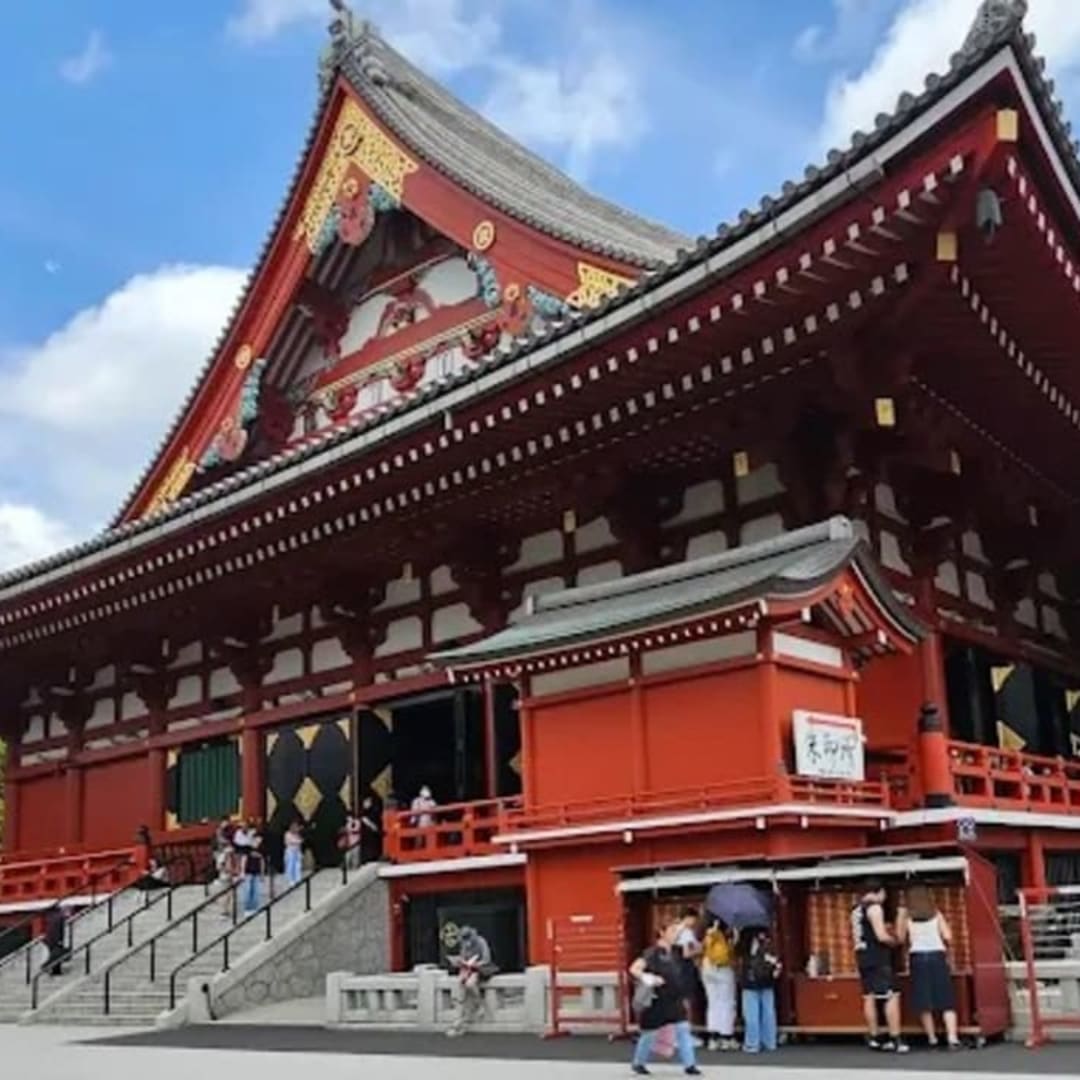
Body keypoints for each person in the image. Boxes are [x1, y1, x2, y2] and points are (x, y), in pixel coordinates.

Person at [629, 916, 702, 1076]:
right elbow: (634, 968)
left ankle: (690, 1065)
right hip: (657, 1000)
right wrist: (649, 978)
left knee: (683, 1029)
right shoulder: (652, 953)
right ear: (662, 932)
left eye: (676, 931)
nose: (675, 934)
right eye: (672, 931)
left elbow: (694, 948)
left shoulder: (676, 951)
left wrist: (686, 929)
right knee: (649, 1034)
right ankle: (638, 1062)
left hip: (674, 998)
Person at [897, 885, 961, 1049]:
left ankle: (932, 1038)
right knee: (946, 999)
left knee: (923, 1000)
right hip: (937, 956)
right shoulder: (936, 914)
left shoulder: (907, 917)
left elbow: (901, 938)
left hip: (917, 957)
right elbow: (948, 936)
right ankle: (952, 1038)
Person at [852, 879, 909, 1053]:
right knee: (892, 995)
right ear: (880, 891)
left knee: (869, 996)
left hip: (862, 956)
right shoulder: (875, 908)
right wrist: (895, 942)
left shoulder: (856, 910)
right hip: (878, 958)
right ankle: (896, 1038)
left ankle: (874, 1037)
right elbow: (881, 936)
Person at [446, 925, 496, 1037]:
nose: (466, 942)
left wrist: (475, 964)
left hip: (479, 969)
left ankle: (479, 1004)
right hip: (467, 969)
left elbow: (486, 959)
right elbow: (463, 957)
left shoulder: (481, 942)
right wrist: (460, 961)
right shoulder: (464, 944)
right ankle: (460, 1017)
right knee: (460, 985)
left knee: (470, 984)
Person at [738, 928, 780, 1054]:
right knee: (768, 1011)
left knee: (751, 1013)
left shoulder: (745, 938)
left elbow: (737, 953)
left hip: (750, 980)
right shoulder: (769, 938)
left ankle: (752, 1043)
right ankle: (770, 1041)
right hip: (767, 980)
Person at [701, 919, 737, 1051]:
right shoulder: (725, 935)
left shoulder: (708, 933)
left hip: (707, 968)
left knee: (713, 1003)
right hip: (723, 969)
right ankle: (726, 1036)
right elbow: (729, 954)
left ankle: (712, 1037)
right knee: (727, 1003)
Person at [673, 907, 704, 1046]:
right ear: (688, 918)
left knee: (679, 1002)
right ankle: (685, 1035)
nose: (695, 922)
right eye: (694, 919)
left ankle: (677, 1036)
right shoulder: (686, 932)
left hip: (674, 969)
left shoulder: (674, 930)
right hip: (685, 969)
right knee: (687, 1003)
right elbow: (686, 953)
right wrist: (700, 949)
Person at [42, 905, 69, 977]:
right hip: (55, 938)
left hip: (49, 938)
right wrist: (60, 940)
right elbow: (59, 930)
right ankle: (52, 967)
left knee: (53, 953)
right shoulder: (59, 917)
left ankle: (54, 969)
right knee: (56, 953)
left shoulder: (50, 917)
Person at [242, 835, 266, 915]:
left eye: (259, 841)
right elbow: (244, 860)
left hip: (257, 872)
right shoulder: (247, 848)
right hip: (248, 872)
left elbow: (262, 861)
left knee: (256, 890)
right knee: (248, 890)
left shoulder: (261, 849)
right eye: (257, 840)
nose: (258, 842)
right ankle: (248, 908)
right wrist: (242, 872)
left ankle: (255, 907)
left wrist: (262, 873)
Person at [360, 794, 383, 864]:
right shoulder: (362, 811)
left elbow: (377, 822)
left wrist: (371, 825)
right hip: (365, 833)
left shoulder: (374, 811)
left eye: (369, 802)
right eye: (366, 802)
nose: (367, 803)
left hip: (373, 832)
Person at [284, 820, 304, 886]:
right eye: (294, 827)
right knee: (290, 865)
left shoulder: (297, 835)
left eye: (296, 827)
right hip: (290, 851)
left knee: (297, 865)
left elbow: (300, 841)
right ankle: (290, 880)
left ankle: (298, 879)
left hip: (297, 851)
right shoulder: (287, 834)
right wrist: (298, 841)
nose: (296, 828)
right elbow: (291, 842)